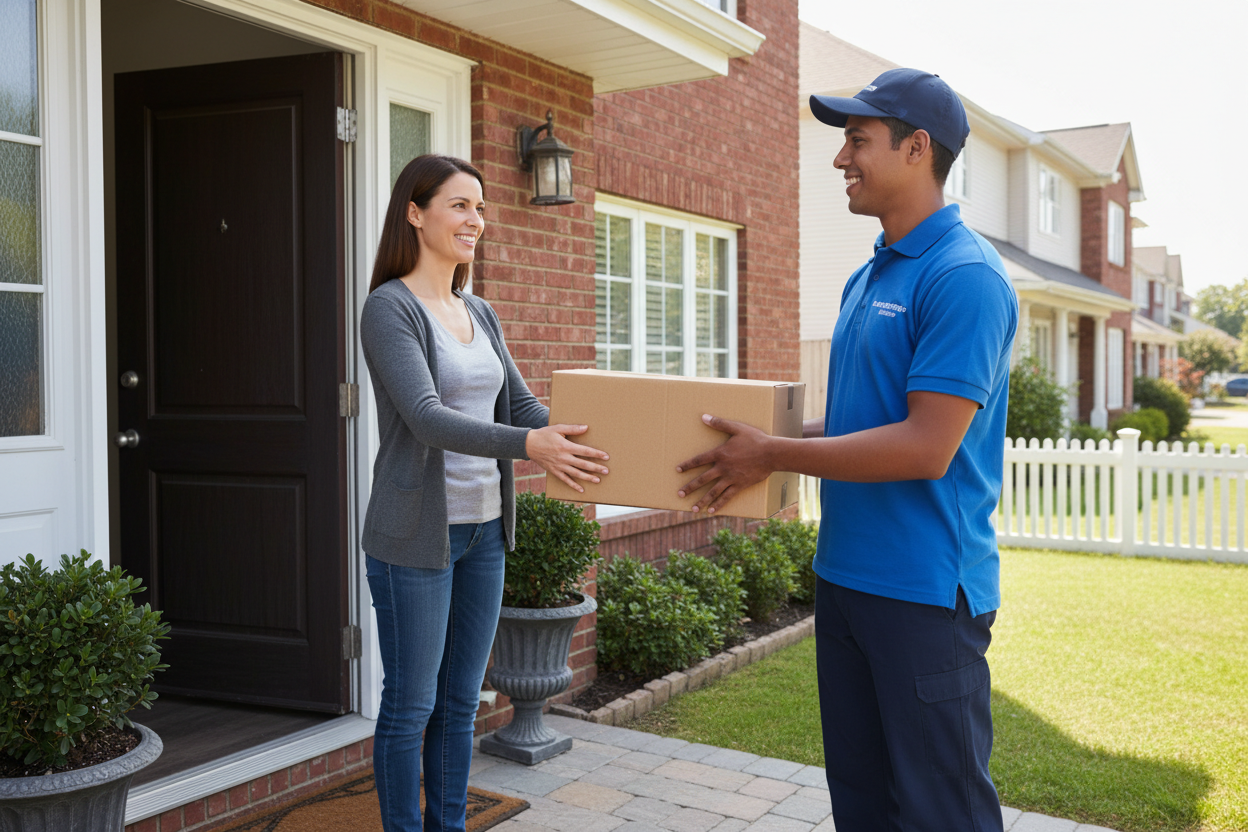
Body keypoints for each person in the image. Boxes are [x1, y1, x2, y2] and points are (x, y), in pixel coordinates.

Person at [675, 69, 1017, 831]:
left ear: (916, 148)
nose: (840, 159)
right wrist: (762, 443)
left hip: (926, 593)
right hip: (846, 578)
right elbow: (864, 421)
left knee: (941, 812)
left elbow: (927, 446)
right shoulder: (866, 278)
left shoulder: (965, 277)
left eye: (857, 141)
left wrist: (776, 455)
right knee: (862, 806)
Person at [359, 154, 609, 832]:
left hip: (485, 534)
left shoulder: (479, 310)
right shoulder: (390, 308)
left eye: (481, 207)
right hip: (415, 537)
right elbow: (427, 416)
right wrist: (533, 447)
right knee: (412, 704)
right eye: (460, 205)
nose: (478, 220)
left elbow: (521, 406)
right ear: (415, 212)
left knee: (461, 702)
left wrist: (594, 432)